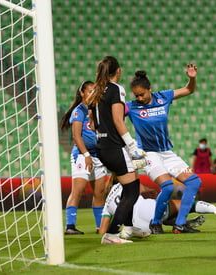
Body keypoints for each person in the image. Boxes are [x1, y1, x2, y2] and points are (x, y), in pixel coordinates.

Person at [126, 64, 202, 234]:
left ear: (149, 89)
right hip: (148, 154)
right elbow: (114, 114)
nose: (139, 98)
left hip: (167, 152)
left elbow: (188, 90)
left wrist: (192, 78)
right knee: (167, 187)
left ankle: (180, 224)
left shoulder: (163, 97)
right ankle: (156, 222)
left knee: (194, 181)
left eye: (142, 94)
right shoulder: (131, 106)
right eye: (136, 95)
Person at [86, 56, 148, 244]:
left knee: (132, 184)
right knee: (132, 191)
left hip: (102, 147)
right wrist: (131, 145)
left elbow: (92, 123)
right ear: (118, 71)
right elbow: (118, 120)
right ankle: (111, 234)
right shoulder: (116, 89)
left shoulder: (95, 91)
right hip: (115, 147)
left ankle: (128, 228)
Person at [98, 182, 216, 237]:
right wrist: (152, 192)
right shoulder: (125, 182)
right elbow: (147, 192)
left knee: (161, 219)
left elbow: (103, 231)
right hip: (149, 209)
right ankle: (215, 209)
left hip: (139, 227)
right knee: (184, 204)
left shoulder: (107, 204)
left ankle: (181, 223)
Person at [59, 80, 107, 235]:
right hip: (81, 155)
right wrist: (86, 155)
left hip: (98, 157)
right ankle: (70, 226)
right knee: (77, 191)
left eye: (95, 90)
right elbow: (76, 136)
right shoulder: (79, 111)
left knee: (99, 194)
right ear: (82, 93)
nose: (93, 93)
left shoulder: (98, 109)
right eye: (89, 90)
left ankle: (100, 227)